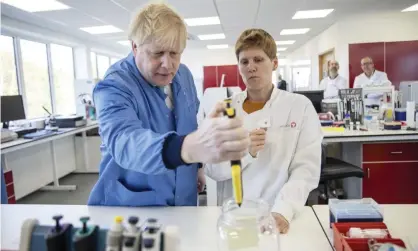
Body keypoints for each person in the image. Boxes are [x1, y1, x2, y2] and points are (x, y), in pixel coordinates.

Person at [87, 3, 250, 207]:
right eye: (157, 53)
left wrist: (197, 165)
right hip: (133, 207)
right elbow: (125, 142)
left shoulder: (184, 75)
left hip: (183, 199)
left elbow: (191, 125)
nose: (168, 64)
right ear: (135, 47)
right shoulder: (114, 85)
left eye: (175, 53)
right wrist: (189, 149)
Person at [203, 29, 323, 234]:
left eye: (258, 59)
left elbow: (306, 170)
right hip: (235, 216)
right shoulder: (225, 109)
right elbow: (212, 170)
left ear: (274, 63)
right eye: (244, 62)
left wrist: (283, 211)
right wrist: (244, 151)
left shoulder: (299, 106)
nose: (251, 68)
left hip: (279, 213)